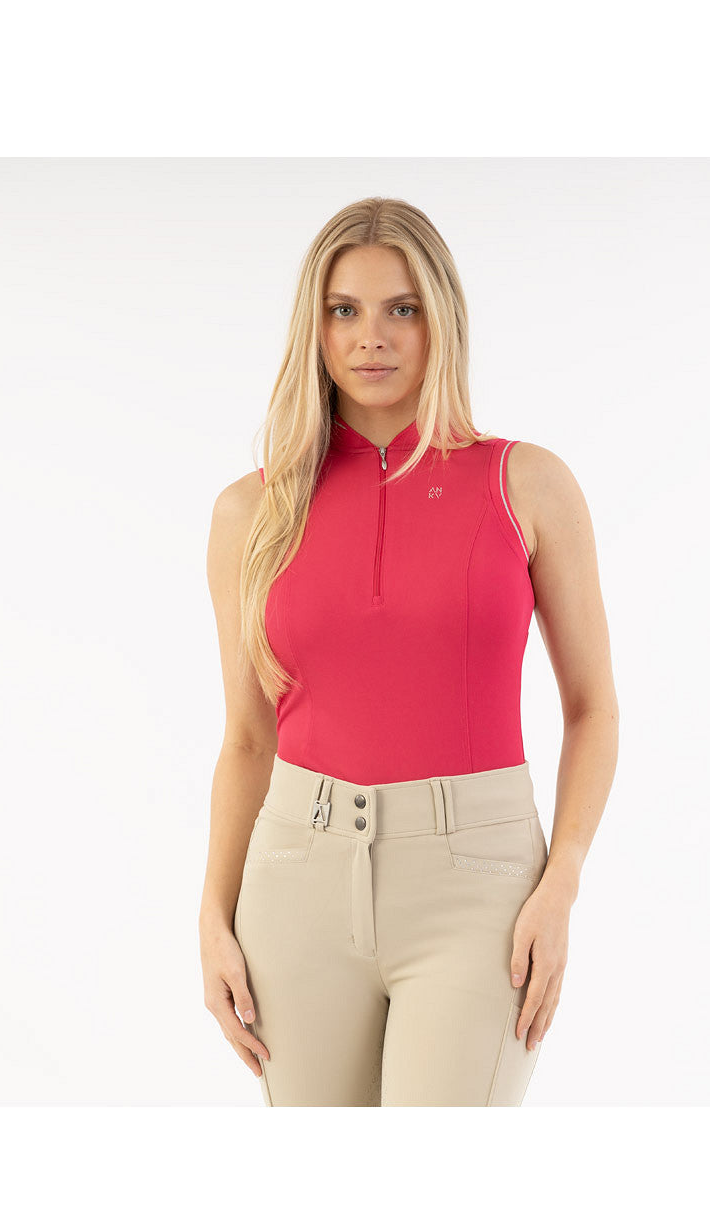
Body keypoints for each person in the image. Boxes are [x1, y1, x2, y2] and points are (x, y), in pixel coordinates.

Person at [199, 197, 619, 1105]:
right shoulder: (251, 513)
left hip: (480, 889)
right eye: (344, 309)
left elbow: (592, 709)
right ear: (314, 326)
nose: (372, 337)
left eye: (403, 308)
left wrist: (561, 884)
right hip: (294, 885)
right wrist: (212, 916)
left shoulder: (526, 484)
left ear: (443, 319)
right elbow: (248, 738)